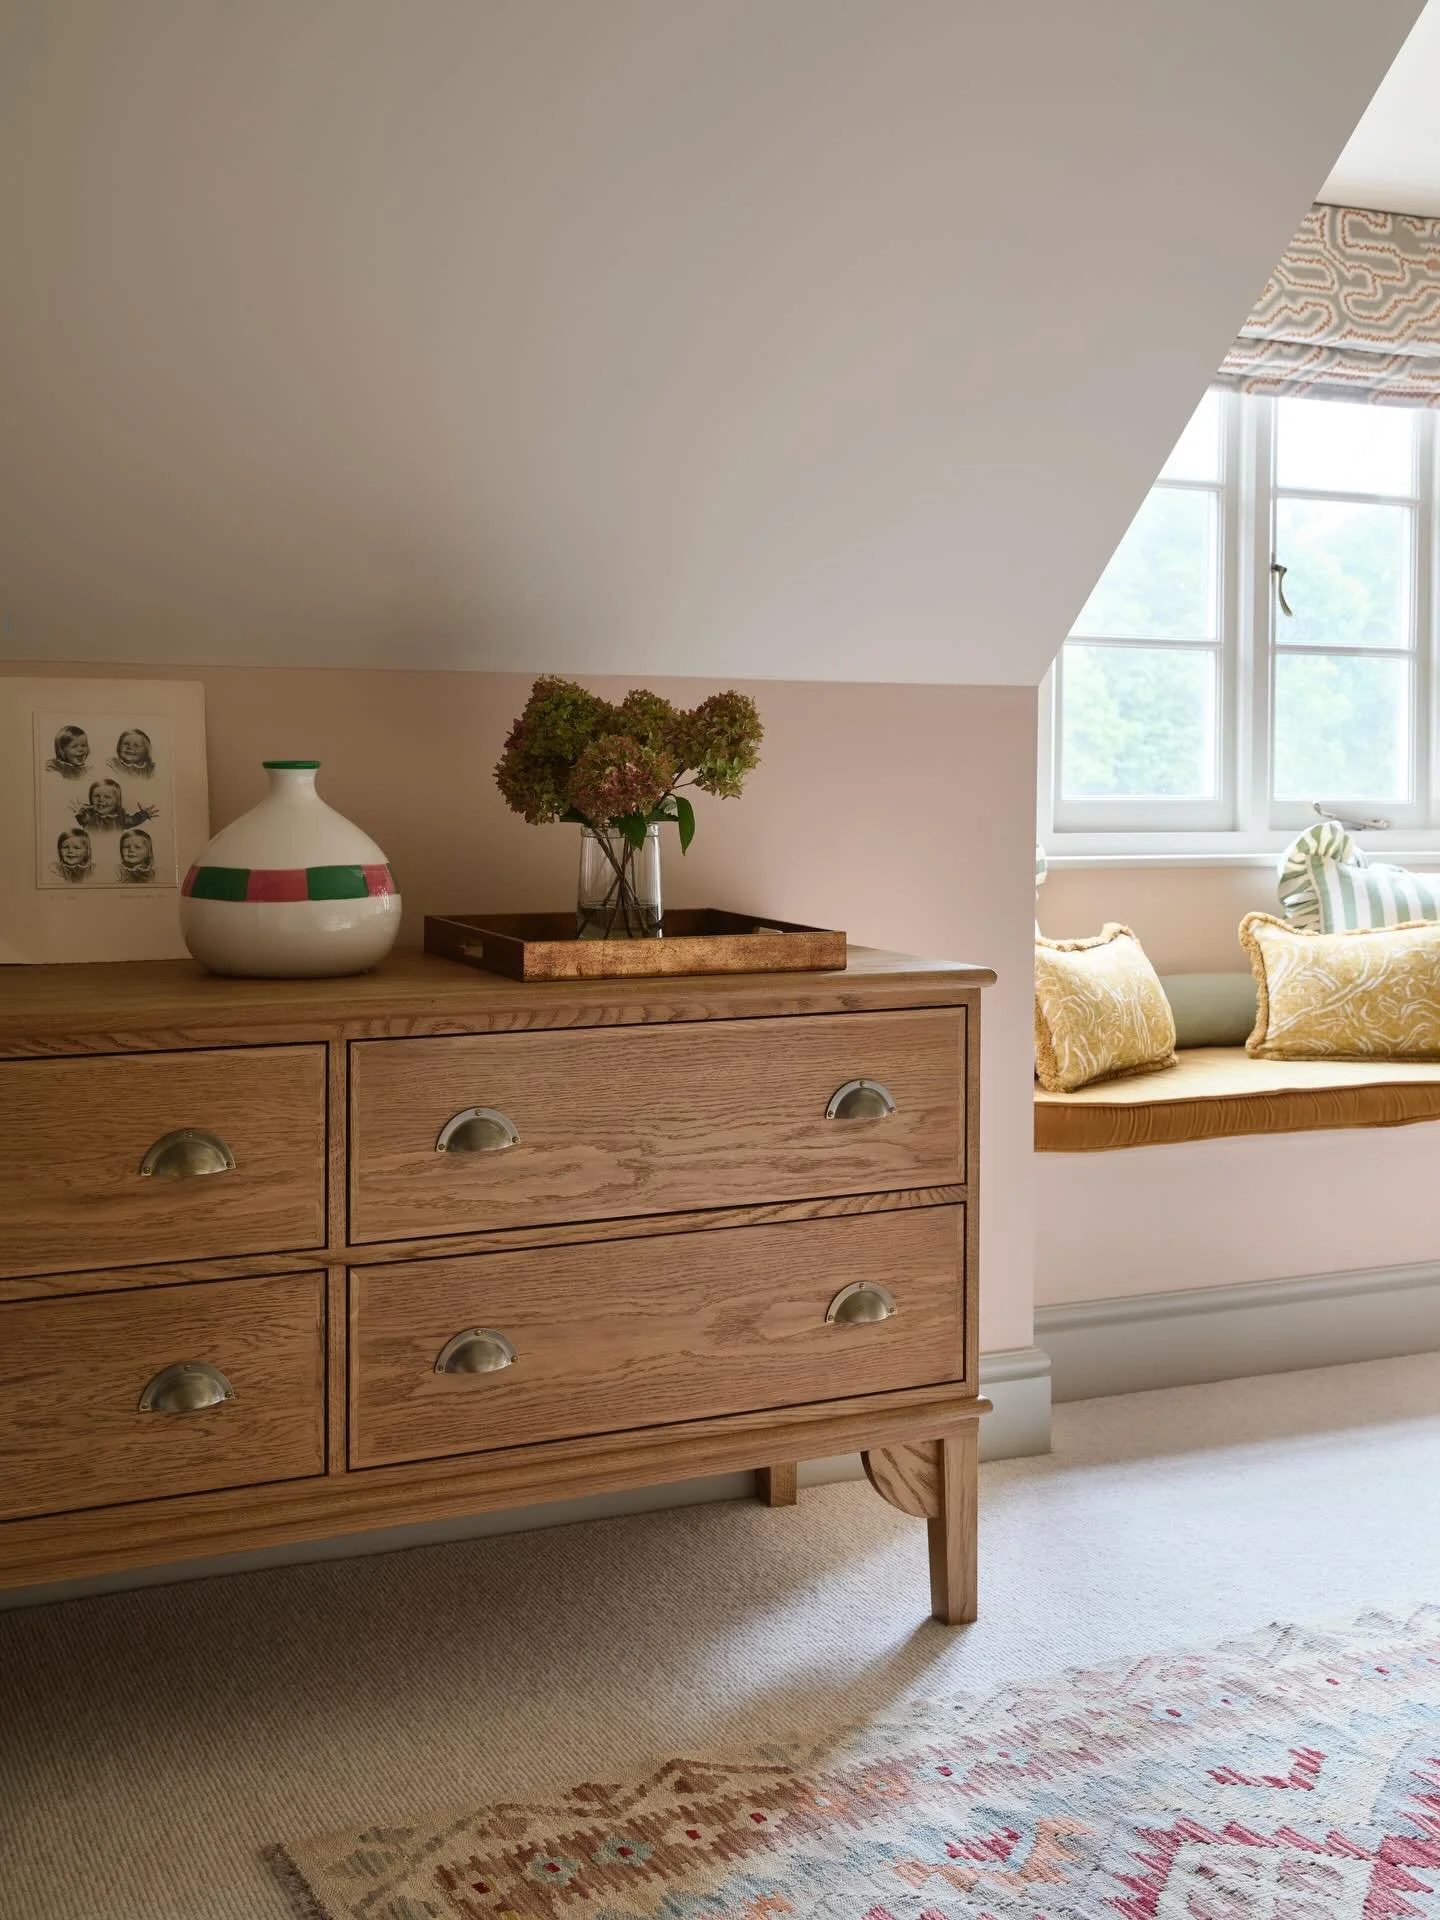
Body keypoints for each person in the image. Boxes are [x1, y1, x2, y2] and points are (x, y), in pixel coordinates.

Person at [73, 779, 158, 832]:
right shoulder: (89, 814)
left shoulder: (120, 817)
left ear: (117, 801)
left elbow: (133, 820)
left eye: (107, 797)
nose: (101, 800)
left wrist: (145, 814)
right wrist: (79, 812)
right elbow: (83, 819)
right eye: (96, 796)